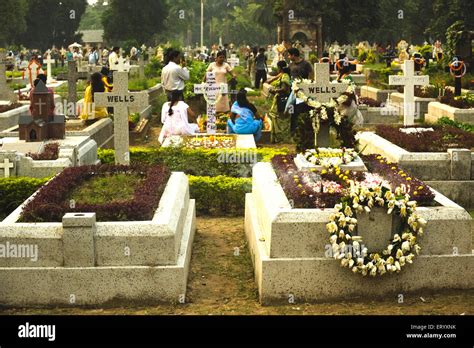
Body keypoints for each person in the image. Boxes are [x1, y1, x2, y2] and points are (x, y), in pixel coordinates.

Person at [267, 61, 292, 143]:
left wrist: (274, 90)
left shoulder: (285, 76)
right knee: (277, 117)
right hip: (280, 99)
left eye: (278, 67)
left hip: (283, 100)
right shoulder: (282, 75)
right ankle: (277, 138)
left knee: (281, 118)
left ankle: (282, 138)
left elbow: (284, 89)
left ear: (280, 68)